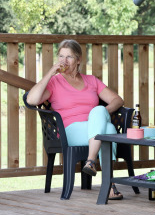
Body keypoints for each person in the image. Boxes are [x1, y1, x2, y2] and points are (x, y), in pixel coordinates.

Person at [27, 39, 124, 200]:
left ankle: (91, 163)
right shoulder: (54, 82)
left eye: (69, 57)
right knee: (110, 131)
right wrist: (50, 72)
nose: (64, 61)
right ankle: (107, 182)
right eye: (61, 56)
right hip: (69, 131)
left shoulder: (91, 80)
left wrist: (100, 114)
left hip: (92, 129)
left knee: (102, 120)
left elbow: (117, 100)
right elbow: (31, 100)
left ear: (78, 60)